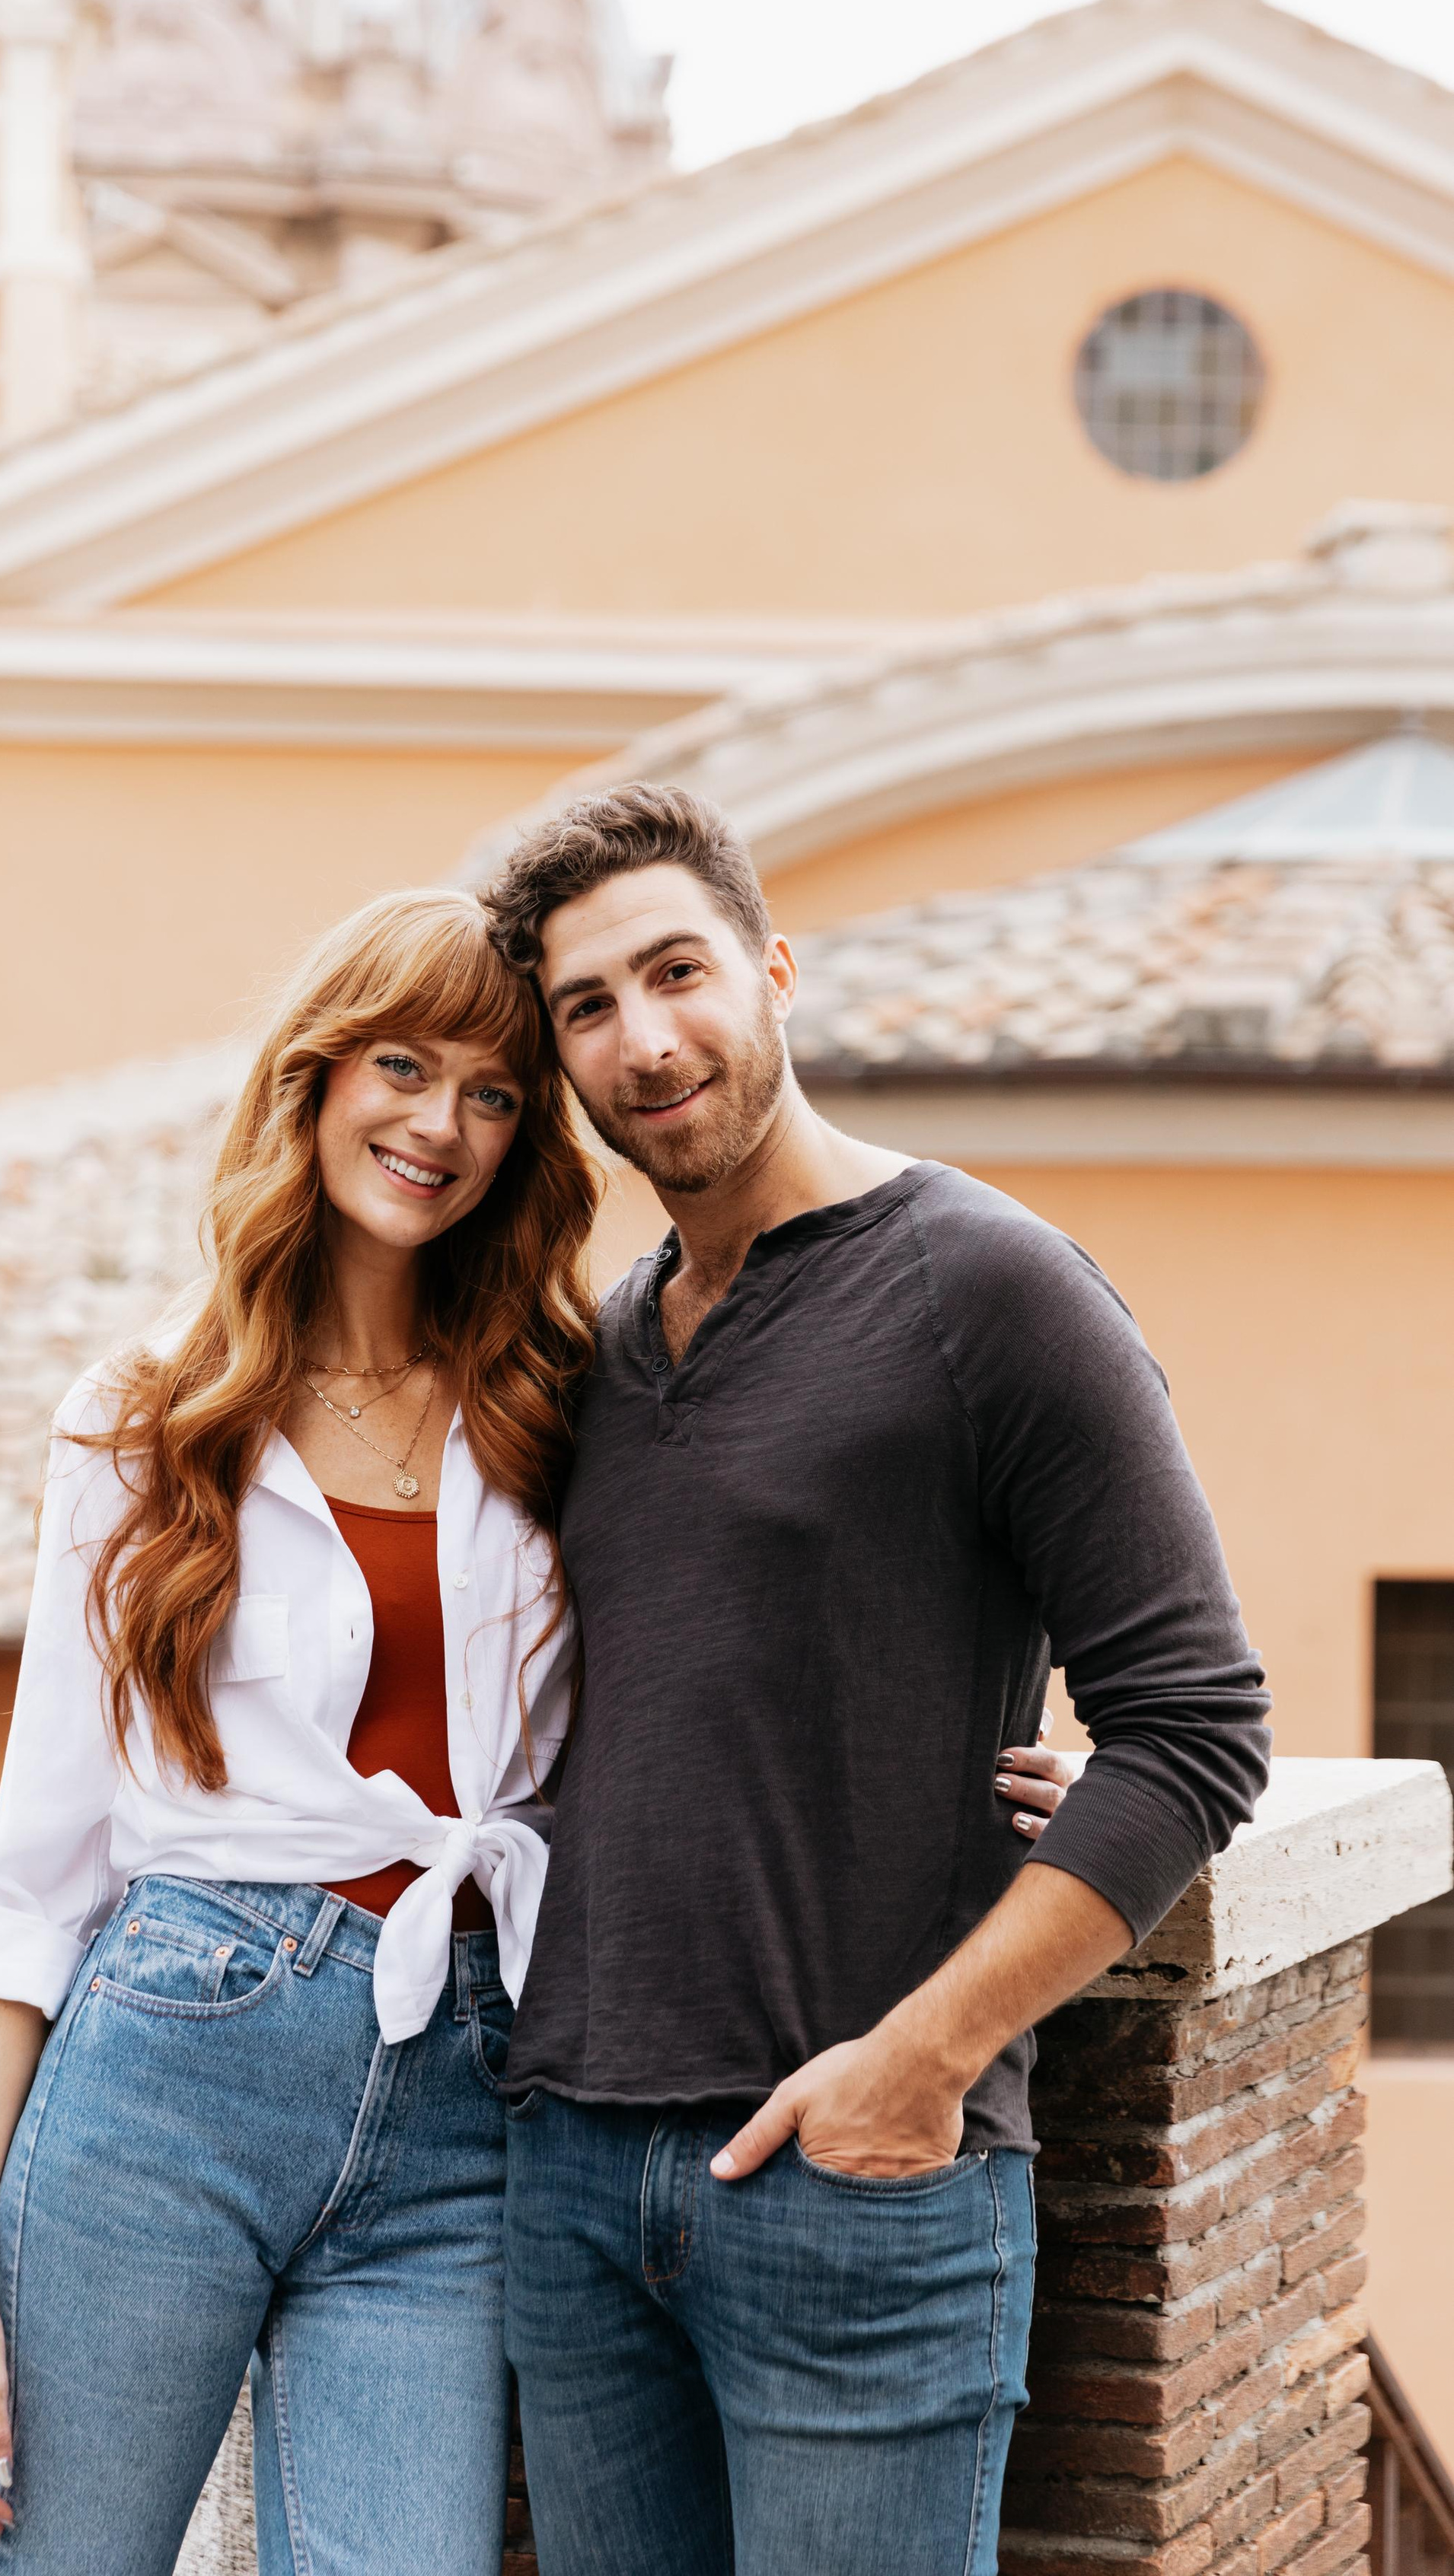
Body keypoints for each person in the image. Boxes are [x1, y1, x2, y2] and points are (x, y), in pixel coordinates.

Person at [0, 879, 1079, 2574]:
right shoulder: (145, 1419)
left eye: (491, 1091)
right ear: (310, 1082)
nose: (437, 1125)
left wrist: (1038, 1741)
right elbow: (34, 1864)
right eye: (397, 1066)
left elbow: (749, 1620)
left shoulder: (559, 1395)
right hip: (175, 2060)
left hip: (468, 2082)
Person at [478, 783, 1274, 2576]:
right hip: (574, 2185)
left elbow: (1196, 1729)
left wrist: (920, 2062)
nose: (642, 1038)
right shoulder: (600, 1345)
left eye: (675, 971)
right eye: (585, 1008)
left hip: (857, 2190)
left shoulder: (989, 1289)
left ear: (770, 969)